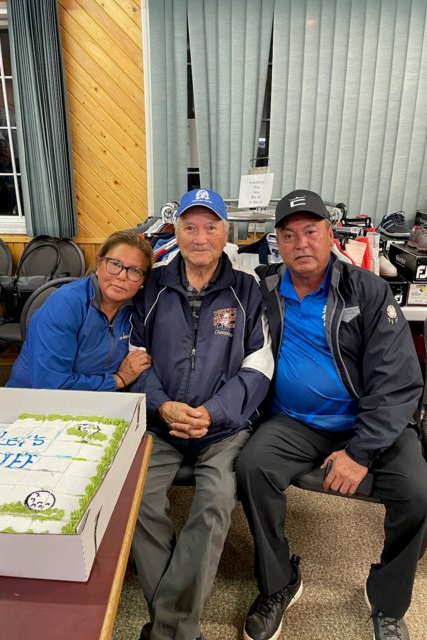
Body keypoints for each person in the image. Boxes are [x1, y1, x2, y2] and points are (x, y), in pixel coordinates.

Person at [236, 189, 427, 640]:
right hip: (294, 422)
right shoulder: (264, 288)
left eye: (311, 231)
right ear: (277, 242)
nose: (301, 243)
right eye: (289, 235)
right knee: (252, 467)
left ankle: (386, 598)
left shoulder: (366, 289)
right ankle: (279, 582)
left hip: (366, 424)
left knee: (423, 500)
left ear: (330, 235)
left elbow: (398, 380)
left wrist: (362, 452)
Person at [129, 188, 274, 640]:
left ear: (225, 232)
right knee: (136, 502)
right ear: (175, 232)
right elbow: (133, 356)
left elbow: (259, 364)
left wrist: (212, 413)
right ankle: (181, 626)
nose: (200, 236)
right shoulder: (150, 285)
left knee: (213, 504)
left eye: (211, 226)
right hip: (162, 422)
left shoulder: (247, 290)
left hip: (224, 428)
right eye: (190, 227)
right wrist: (162, 405)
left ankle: (168, 628)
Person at [6, 230, 153, 391]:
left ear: (143, 280)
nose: (122, 276)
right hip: (35, 404)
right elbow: (51, 384)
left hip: (99, 400)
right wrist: (118, 380)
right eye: (115, 264)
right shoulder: (65, 303)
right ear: (99, 264)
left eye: (135, 270)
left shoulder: (138, 311)